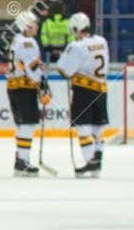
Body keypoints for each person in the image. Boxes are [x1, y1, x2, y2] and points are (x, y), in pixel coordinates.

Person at [52, 12, 109, 176]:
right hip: (101, 89)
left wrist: (65, 57)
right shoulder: (102, 41)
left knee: (83, 127)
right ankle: (97, 162)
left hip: (84, 91)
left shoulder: (75, 46)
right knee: (98, 128)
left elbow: (64, 71)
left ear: (77, 29)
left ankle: (90, 161)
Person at [6, 10, 47, 176]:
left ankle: (20, 159)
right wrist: (42, 83)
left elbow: (23, 63)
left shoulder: (16, 40)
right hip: (24, 88)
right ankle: (22, 161)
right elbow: (31, 68)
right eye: (35, 23)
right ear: (28, 25)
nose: (37, 26)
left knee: (23, 124)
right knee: (28, 124)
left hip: (13, 87)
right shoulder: (29, 42)